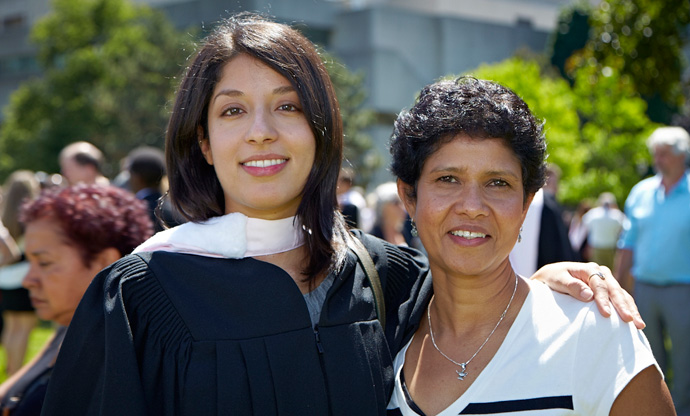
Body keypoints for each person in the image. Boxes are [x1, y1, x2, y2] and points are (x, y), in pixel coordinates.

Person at [41, 14, 642, 416]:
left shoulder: (384, 278)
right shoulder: (140, 298)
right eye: (231, 112)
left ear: (320, 131)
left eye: (288, 106)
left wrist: (548, 284)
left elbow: (482, 302)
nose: (261, 133)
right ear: (201, 141)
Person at [387, 77, 673, 415]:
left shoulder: (594, 333)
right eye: (447, 179)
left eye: (498, 183)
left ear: (526, 204)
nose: (472, 205)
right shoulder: (383, 338)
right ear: (409, 196)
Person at [0, 185, 153, 416]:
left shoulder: (121, 362)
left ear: (105, 263)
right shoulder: (68, 328)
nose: (28, 280)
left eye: (44, 263)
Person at [615, 126, 690, 416]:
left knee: (684, 362)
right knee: (647, 360)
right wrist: (618, 285)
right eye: (655, 154)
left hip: (683, 290)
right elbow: (628, 243)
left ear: (682, 155)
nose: (658, 159)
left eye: (665, 154)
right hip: (644, 289)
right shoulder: (640, 192)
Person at [0, 171, 40, 377]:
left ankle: (9, 369)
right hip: (23, 277)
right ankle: (16, 372)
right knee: (24, 328)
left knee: (10, 326)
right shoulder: (32, 214)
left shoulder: (4, 214)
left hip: (4, 278)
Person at [582, 192, 625, 269]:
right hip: (610, 248)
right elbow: (624, 226)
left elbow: (585, 223)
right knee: (610, 271)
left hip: (597, 247)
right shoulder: (616, 215)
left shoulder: (594, 214)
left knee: (596, 270)